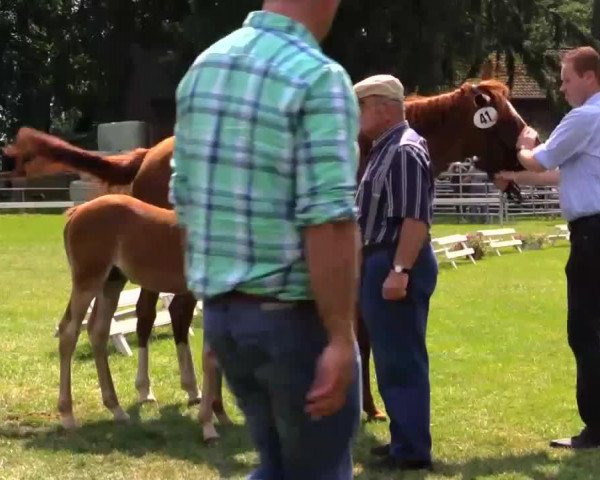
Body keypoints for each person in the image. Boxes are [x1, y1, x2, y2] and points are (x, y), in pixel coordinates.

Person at [169, 1, 362, 479]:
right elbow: (330, 220)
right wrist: (341, 336)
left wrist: (218, 300)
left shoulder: (204, 68)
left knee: (276, 466)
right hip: (293, 321)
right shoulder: (318, 78)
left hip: (225, 317)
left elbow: (188, 201)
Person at [515, 46, 600, 450]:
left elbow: (541, 159)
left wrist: (523, 144)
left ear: (590, 77)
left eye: (567, 78)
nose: (562, 87)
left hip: (591, 236)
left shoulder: (584, 117)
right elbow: (561, 175)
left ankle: (596, 427)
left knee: (585, 332)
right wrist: (513, 175)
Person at [354, 74, 438, 471]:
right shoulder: (382, 149)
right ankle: (404, 439)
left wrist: (400, 270)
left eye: (361, 106)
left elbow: (415, 219)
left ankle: (412, 451)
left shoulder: (403, 150)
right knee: (390, 358)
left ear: (384, 108)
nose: (356, 115)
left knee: (401, 358)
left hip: (394, 260)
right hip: (381, 260)